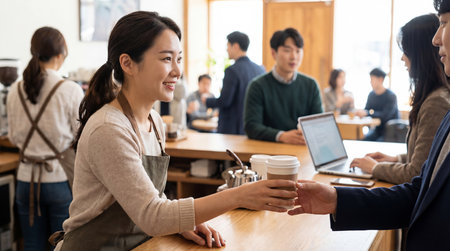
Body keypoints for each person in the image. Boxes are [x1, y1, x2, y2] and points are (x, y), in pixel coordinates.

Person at [52, 12, 297, 250]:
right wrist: (239, 196)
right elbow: (152, 215)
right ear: (127, 63)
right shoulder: (109, 129)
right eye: (166, 59)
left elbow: (149, 201)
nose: (177, 71)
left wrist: (181, 223)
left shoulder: (156, 122)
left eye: (178, 59)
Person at [287, 3, 450, 249]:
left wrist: (375, 169)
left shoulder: (437, 102)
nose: (436, 39)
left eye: (445, 23)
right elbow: (425, 185)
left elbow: (420, 181)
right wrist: (337, 200)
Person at [6, 27, 84, 250]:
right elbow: (81, 137)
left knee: (31, 245)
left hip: (25, 179)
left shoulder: (14, 90)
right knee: (62, 246)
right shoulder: (70, 89)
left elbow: (12, 136)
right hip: (59, 178)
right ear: (60, 55)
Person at [351, 14, 450, 184]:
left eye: (406, 51)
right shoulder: (435, 95)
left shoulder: (436, 102)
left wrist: (374, 168)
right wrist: (396, 158)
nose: (402, 58)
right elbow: (430, 158)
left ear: (420, 54)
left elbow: (418, 173)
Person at [244, 28, 323, 145]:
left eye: (298, 51)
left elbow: (319, 124)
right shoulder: (258, 86)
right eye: (287, 50)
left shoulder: (311, 85)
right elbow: (251, 127)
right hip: (269, 154)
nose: (294, 57)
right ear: (273, 53)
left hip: (303, 152)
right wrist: (281, 136)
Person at [204, 31, 265, 135]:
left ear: (235, 46)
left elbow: (225, 101)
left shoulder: (232, 71)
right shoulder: (260, 70)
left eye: (228, 46)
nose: (226, 49)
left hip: (232, 129)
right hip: (254, 127)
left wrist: (207, 101)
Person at [355, 68, 399, 141]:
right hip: (377, 130)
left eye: (372, 79)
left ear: (381, 79)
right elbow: (367, 110)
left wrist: (367, 113)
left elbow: (385, 115)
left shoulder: (391, 96)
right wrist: (362, 113)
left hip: (390, 131)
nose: (370, 82)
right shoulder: (371, 95)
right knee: (361, 140)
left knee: (377, 142)